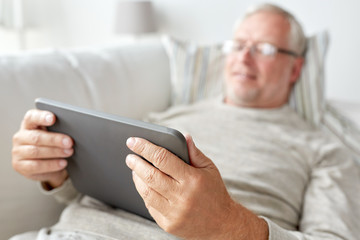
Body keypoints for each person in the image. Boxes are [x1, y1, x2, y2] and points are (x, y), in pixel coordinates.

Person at [11, 3, 360, 240]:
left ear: (296, 68)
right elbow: (95, 192)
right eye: (237, 45)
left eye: (265, 49)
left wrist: (229, 224)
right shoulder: (167, 118)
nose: (244, 57)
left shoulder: (327, 150)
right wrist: (55, 171)